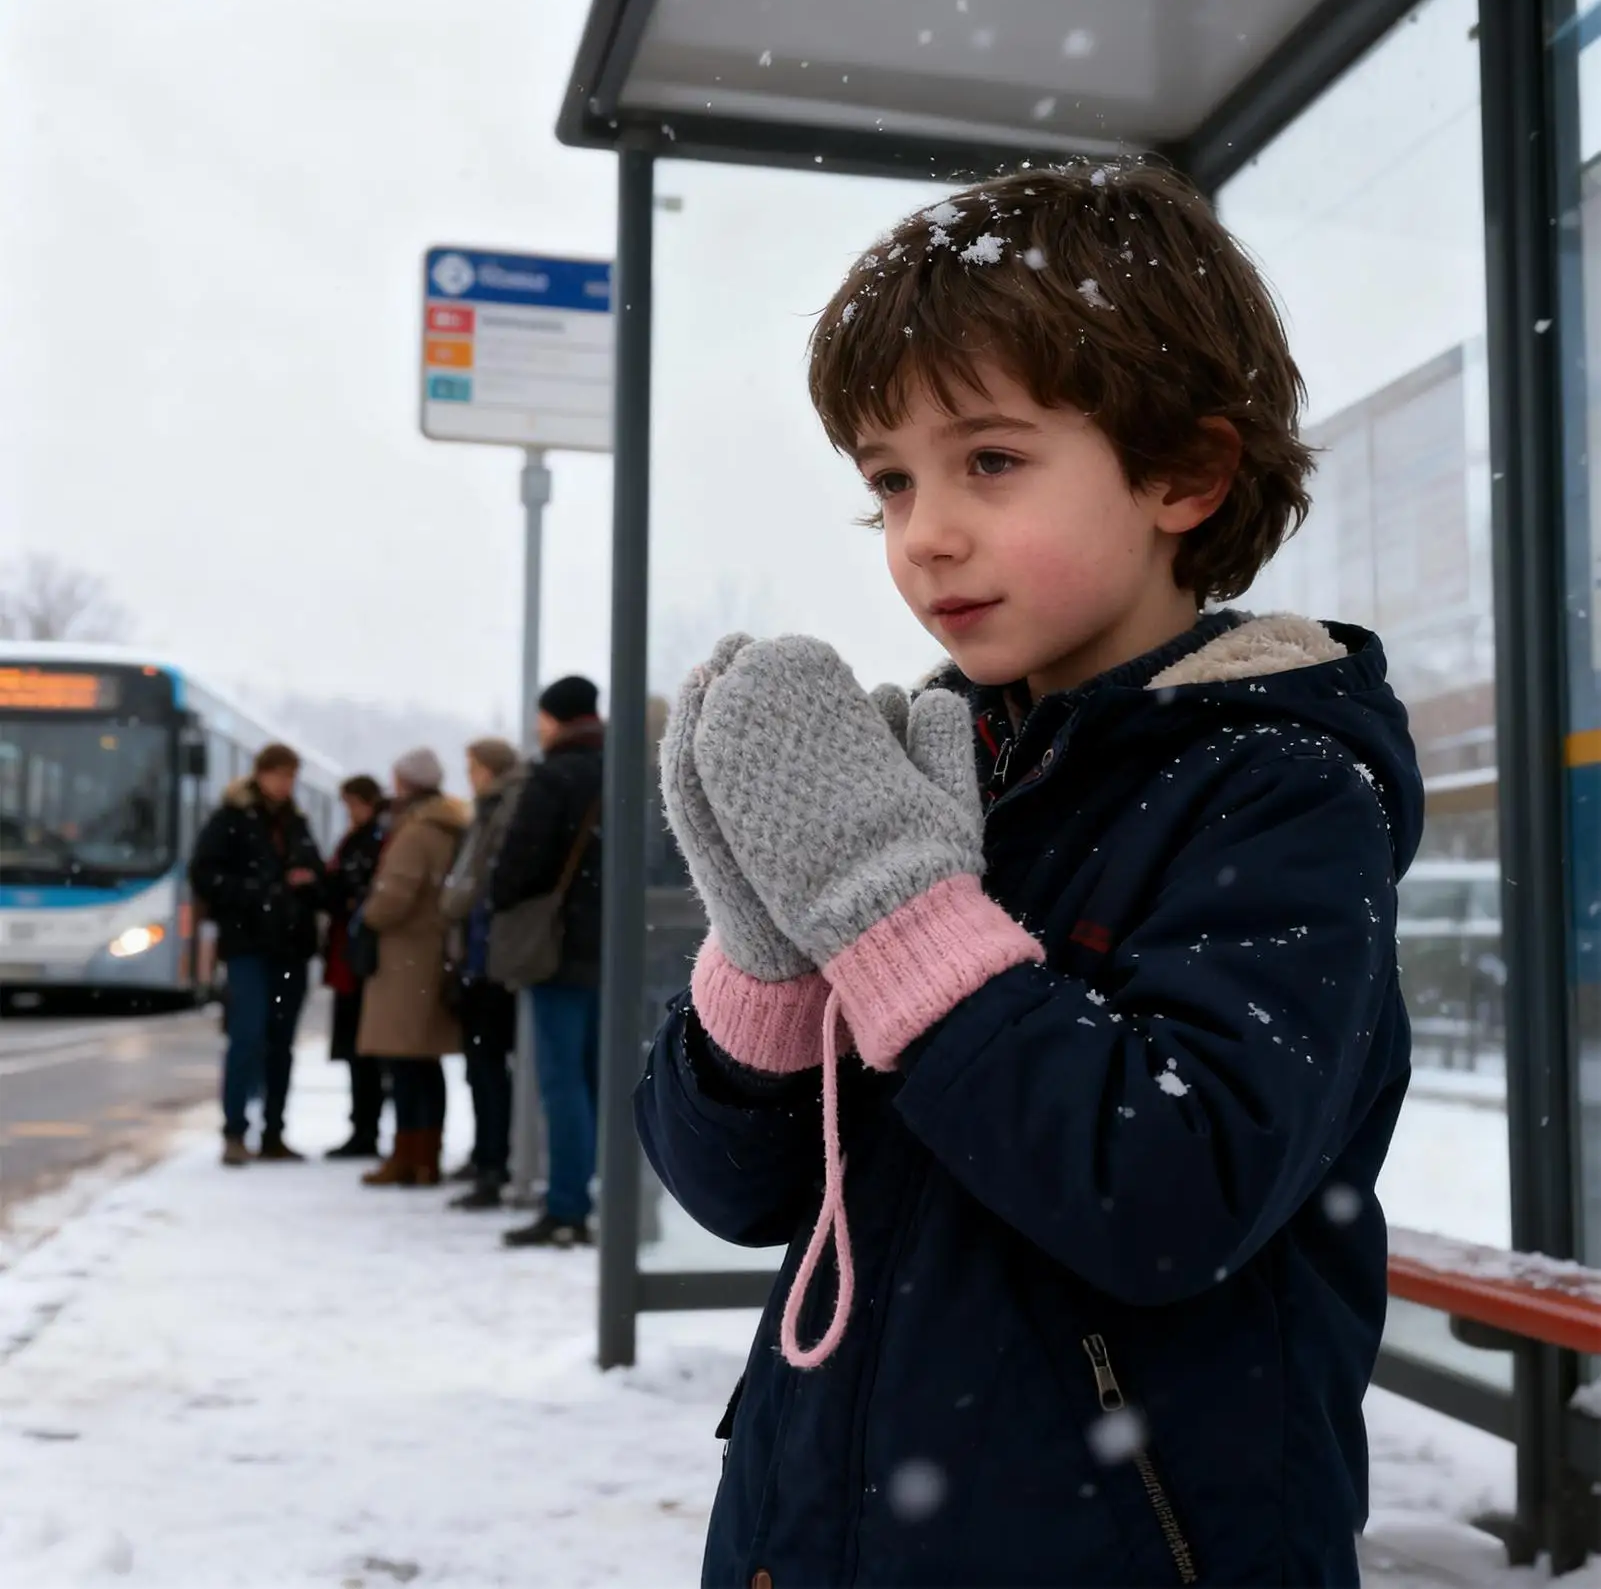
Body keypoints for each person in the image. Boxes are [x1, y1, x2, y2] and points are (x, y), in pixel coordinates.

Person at [636, 160, 1423, 1588]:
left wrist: (888, 907)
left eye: (988, 460)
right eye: (887, 480)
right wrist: (765, 955)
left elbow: (1167, 1189)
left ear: (1184, 471)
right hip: (824, 1531)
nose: (923, 529)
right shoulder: (934, 766)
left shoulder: (1281, 789)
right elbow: (737, 1190)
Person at [491, 676, 604, 1248]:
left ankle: (566, 1205)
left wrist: (502, 896)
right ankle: (619, 1197)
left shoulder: (553, 775)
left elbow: (516, 867)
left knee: (562, 1085)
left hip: (560, 951)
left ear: (555, 718)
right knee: (602, 1079)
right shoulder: (623, 769)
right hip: (617, 948)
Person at [190, 742, 324, 1167]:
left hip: (291, 946)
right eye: (280, 775)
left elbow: (316, 872)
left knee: (281, 1043)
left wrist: (308, 882)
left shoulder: (296, 822)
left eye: (291, 777)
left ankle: (274, 1131)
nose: (286, 785)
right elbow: (205, 875)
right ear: (262, 774)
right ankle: (234, 1131)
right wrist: (257, 893)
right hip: (249, 943)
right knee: (247, 1036)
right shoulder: (231, 820)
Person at [357, 748, 468, 1188]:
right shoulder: (449, 826)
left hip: (406, 961)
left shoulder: (417, 831)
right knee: (424, 1066)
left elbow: (393, 897)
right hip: (431, 955)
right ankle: (426, 1155)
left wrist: (366, 915)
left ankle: (408, 1157)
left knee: (406, 1065)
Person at [439, 737, 523, 1209]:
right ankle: (487, 1154)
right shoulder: (492, 808)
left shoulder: (499, 809)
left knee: (488, 1066)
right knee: (481, 1066)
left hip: (491, 959)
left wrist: (454, 901)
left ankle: (494, 1161)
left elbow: (475, 885)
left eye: (472, 767)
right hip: (483, 956)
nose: (468, 775)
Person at [323, 774, 389, 1160]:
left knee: (363, 1049)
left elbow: (356, 890)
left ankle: (365, 1129)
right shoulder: (366, 838)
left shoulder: (370, 840)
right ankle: (362, 1127)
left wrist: (331, 888)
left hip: (359, 958)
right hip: (352, 956)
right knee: (359, 1049)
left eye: (351, 804)